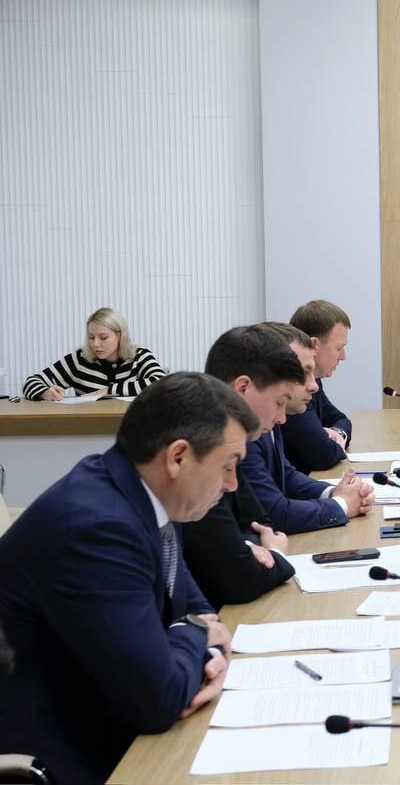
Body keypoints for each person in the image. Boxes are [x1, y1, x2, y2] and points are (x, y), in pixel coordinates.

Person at [0, 372, 253, 783]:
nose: (232, 484)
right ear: (178, 457)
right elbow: (159, 696)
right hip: (68, 751)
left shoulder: (145, 495)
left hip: (115, 717)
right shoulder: (98, 526)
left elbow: (197, 610)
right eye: (227, 466)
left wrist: (196, 640)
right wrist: (194, 635)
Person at [184, 326, 304, 608]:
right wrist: (274, 554)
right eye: (279, 403)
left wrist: (246, 546)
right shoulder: (202, 445)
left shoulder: (229, 443)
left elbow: (262, 521)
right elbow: (238, 579)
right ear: (242, 388)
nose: (282, 419)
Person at [239, 322, 374, 533]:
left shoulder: (269, 415)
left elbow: (286, 476)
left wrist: (334, 493)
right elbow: (275, 514)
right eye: (302, 373)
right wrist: (342, 504)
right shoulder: (244, 432)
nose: (314, 385)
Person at [22, 306, 167, 400]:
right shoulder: (79, 359)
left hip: (133, 427)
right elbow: (31, 382)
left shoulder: (139, 356)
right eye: (91, 337)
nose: (95, 343)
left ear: (120, 336)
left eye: (103, 337)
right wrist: (44, 392)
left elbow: (162, 383)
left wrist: (108, 391)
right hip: (88, 429)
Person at [281, 300, 353, 473]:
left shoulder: (314, 381)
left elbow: (340, 419)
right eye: (339, 348)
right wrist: (328, 440)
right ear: (314, 345)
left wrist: (337, 434)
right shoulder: (293, 386)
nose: (343, 356)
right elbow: (323, 455)